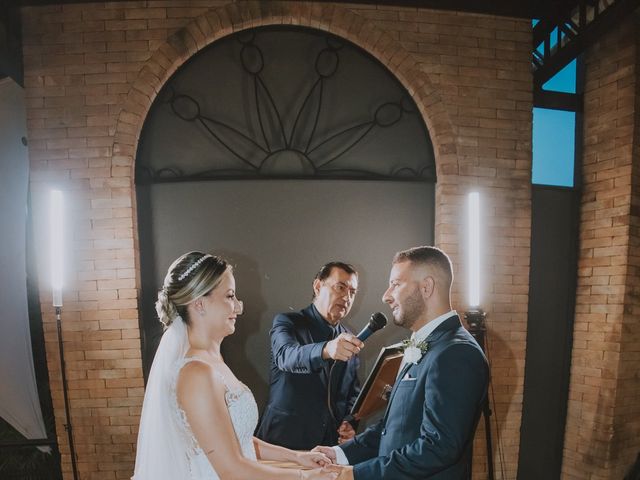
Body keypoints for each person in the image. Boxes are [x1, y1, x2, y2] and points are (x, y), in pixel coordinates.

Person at [132, 251, 338, 480]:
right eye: (229, 296)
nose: (238, 307)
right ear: (199, 303)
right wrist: (304, 477)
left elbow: (237, 439)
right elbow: (231, 469)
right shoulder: (196, 373)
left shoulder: (213, 362)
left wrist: (295, 457)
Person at [313, 246, 490, 480]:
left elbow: (438, 448)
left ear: (426, 287)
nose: (386, 295)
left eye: (396, 284)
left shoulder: (457, 352)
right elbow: (391, 428)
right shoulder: (424, 344)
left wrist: (354, 475)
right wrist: (339, 454)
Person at [256, 262, 364, 450]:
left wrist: (350, 425)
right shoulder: (287, 322)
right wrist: (326, 350)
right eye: (340, 287)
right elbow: (286, 356)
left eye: (352, 292)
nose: (346, 297)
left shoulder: (349, 338)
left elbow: (351, 396)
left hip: (327, 451)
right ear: (317, 286)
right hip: (281, 444)